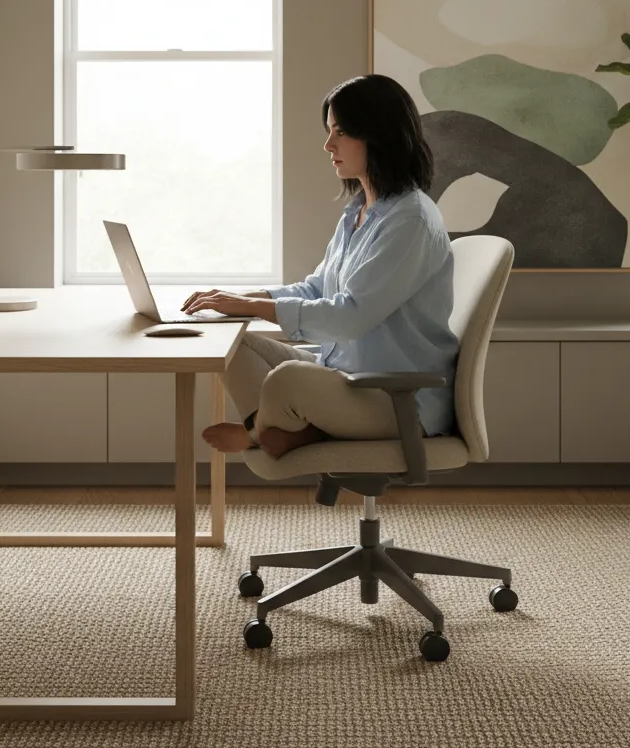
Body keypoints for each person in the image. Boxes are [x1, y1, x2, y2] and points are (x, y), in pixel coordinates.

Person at [185, 73, 459, 460]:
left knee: (289, 379)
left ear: (379, 134)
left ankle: (256, 432)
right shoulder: (360, 212)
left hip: (396, 399)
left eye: (341, 132)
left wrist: (252, 307)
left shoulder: (411, 220)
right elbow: (317, 289)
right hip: (344, 377)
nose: (328, 144)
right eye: (330, 131)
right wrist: (237, 301)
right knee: (231, 341)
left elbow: (351, 317)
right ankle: (296, 432)